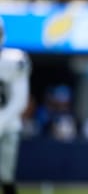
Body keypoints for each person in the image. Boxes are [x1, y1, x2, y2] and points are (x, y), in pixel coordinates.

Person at [0, 18, 31, 194]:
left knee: (6, 176)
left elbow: (20, 98)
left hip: (9, 124)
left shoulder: (14, 60)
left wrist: (2, 121)